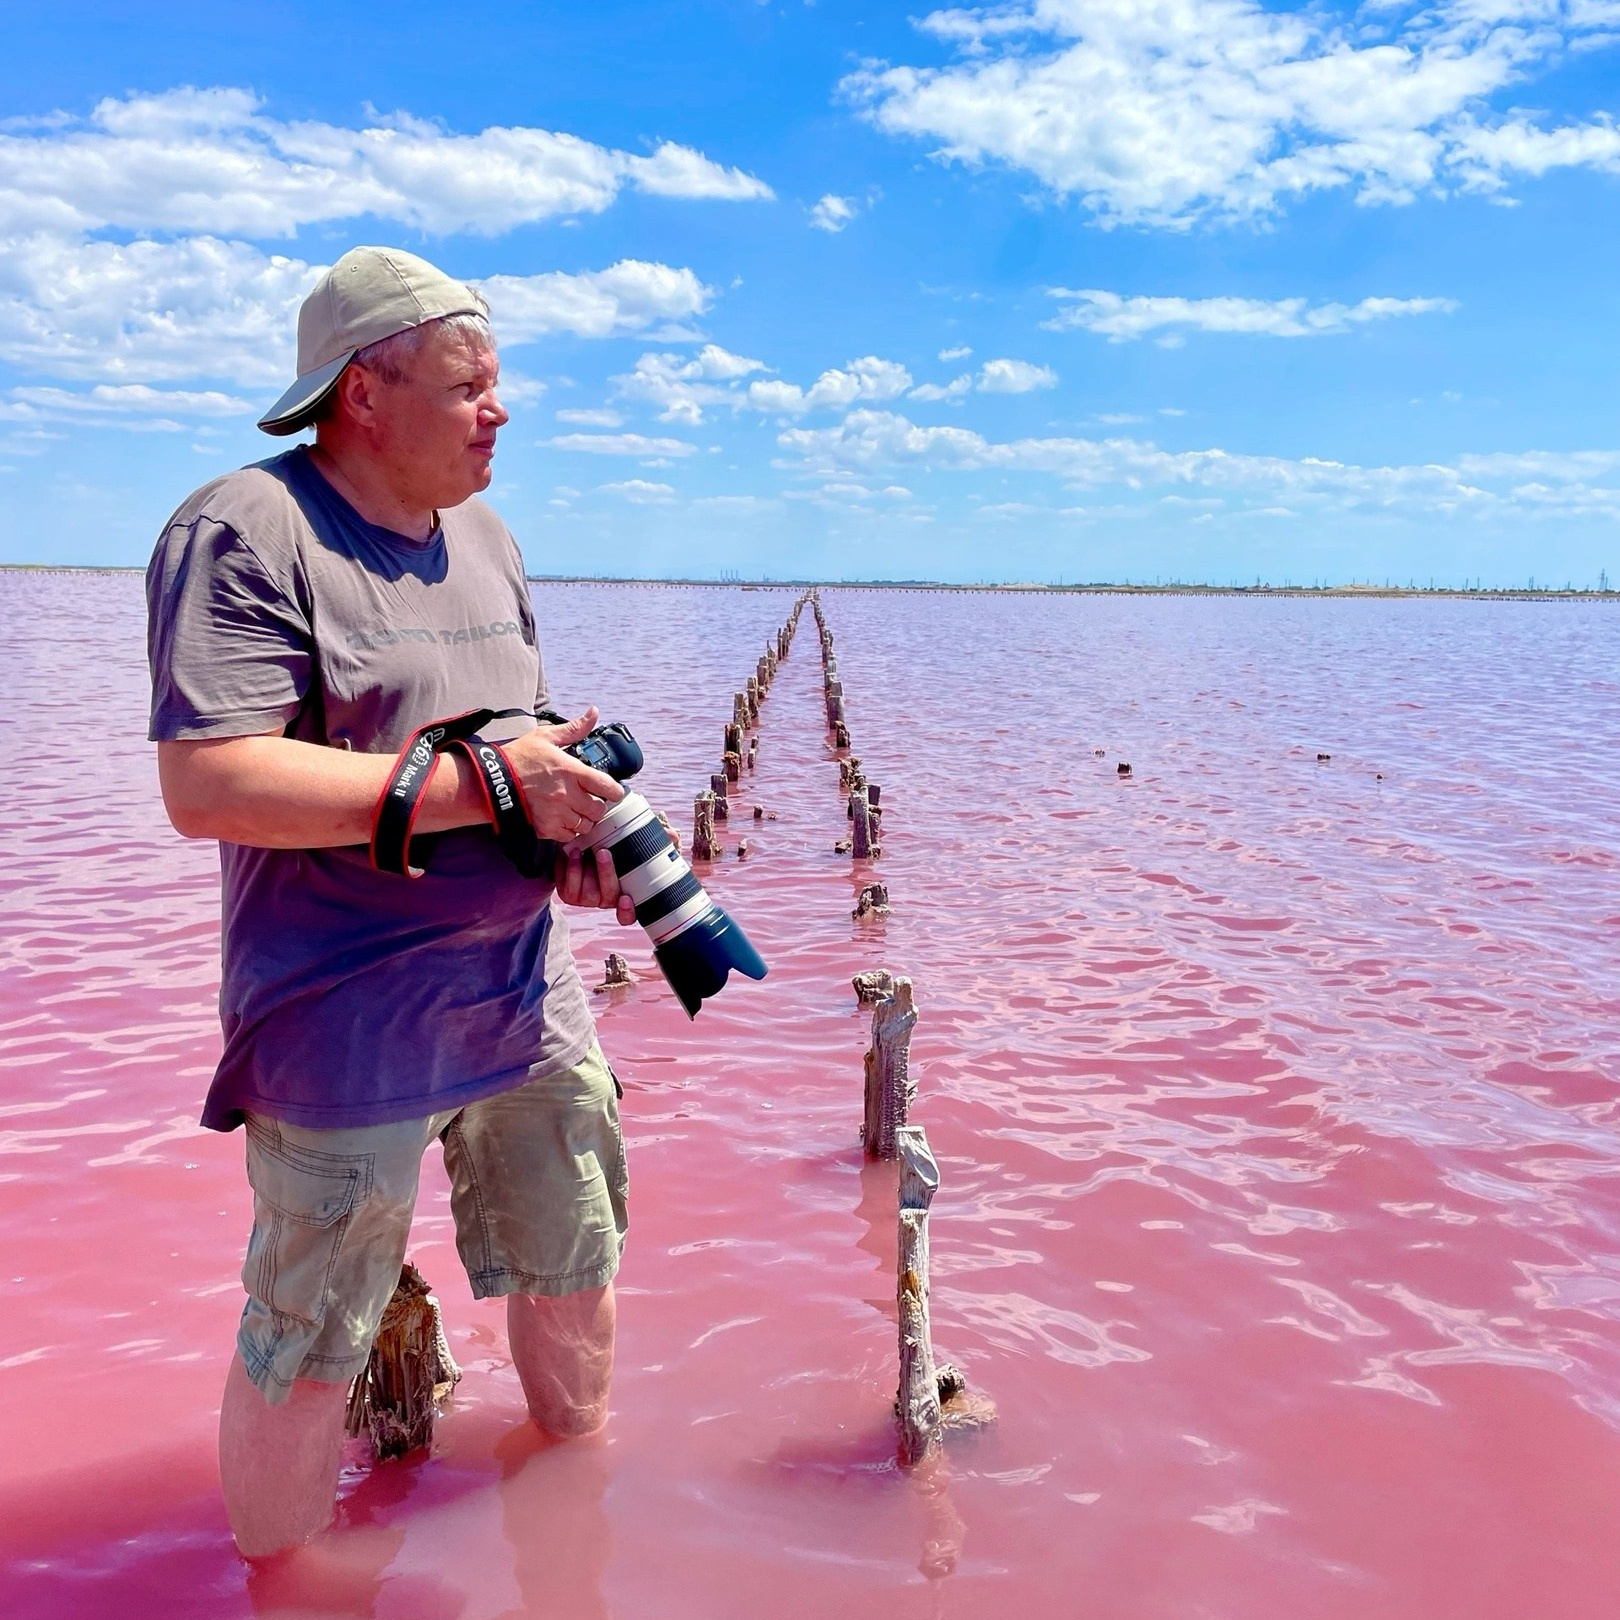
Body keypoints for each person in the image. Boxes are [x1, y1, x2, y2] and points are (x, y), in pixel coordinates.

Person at [146, 246, 633, 1559]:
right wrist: (485, 784)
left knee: (575, 1255)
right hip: (344, 1012)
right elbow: (213, 780)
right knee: (309, 1340)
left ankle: (566, 1506)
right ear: (367, 391)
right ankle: (284, 1585)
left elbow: (507, 732)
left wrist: (562, 827)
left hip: (524, 985)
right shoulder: (244, 533)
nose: (502, 411)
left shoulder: (488, 536)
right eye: (472, 385)